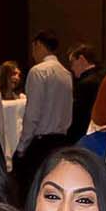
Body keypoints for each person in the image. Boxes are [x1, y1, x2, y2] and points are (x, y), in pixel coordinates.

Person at [22, 32, 76, 160]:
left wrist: (22, 145)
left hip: (41, 142)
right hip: (62, 140)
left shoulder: (38, 71)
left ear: (38, 45)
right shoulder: (66, 73)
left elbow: (32, 114)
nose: (33, 53)